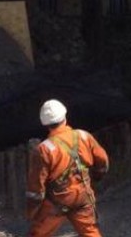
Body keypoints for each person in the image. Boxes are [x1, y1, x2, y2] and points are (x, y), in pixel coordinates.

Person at [26, 99, 109, 237]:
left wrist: (32, 212)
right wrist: (94, 179)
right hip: (83, 195)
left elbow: (36, 188)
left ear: (45, 123)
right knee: (90, 232)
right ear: (65, 116)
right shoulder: (84, 136)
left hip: (56, 201)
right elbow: (103, 163)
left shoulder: (44, 149)